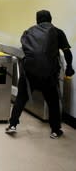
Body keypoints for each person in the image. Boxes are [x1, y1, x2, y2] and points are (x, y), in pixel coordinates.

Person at [5, 10, 74, 139]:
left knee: (21, 98)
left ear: (37, 20)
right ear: (51, 19)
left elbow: (25, 50)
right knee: (53, 101)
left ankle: (13, 124)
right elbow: (67, 53)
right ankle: (55, 130)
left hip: (29, 74)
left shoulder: (29, 32)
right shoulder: (58, 32)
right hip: (49, 75)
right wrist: (69, 67)